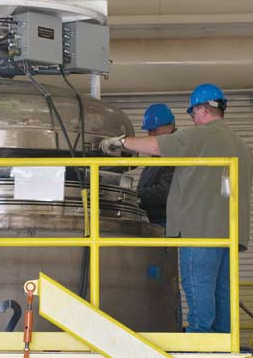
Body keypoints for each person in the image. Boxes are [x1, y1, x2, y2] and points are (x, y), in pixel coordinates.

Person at [100, 83, 253, 333]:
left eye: (192, 113)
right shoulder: (241, 145)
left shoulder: (198, 136)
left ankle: (199, 343)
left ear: (203, 110)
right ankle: (224, 349)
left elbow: (157, 146)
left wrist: (121, 142)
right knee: (222, 295)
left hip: (200, 232)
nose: (192, 119)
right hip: (231, 235)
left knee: (199, 291)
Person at [137, 103, 176, 228]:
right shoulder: (157, 154)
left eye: (155, 130)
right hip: (152, 221)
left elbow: (165, 192)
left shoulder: (176, 153)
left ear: (170, 126)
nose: (151, 135)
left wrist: (134, 195)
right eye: (149, 131)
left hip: (167, 223)